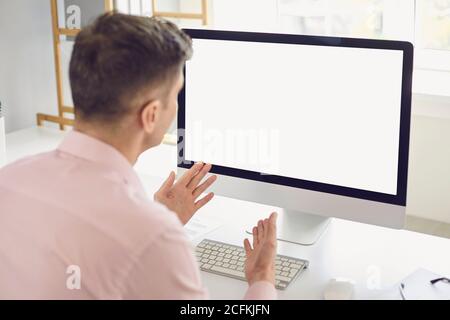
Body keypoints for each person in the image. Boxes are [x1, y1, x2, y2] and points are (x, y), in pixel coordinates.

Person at [0, 12, 278, 299]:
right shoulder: (154, 238)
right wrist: (262, 278)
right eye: (176, 96)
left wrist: (157, 219)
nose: (176, 108)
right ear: (152, 115)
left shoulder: (9, 180)